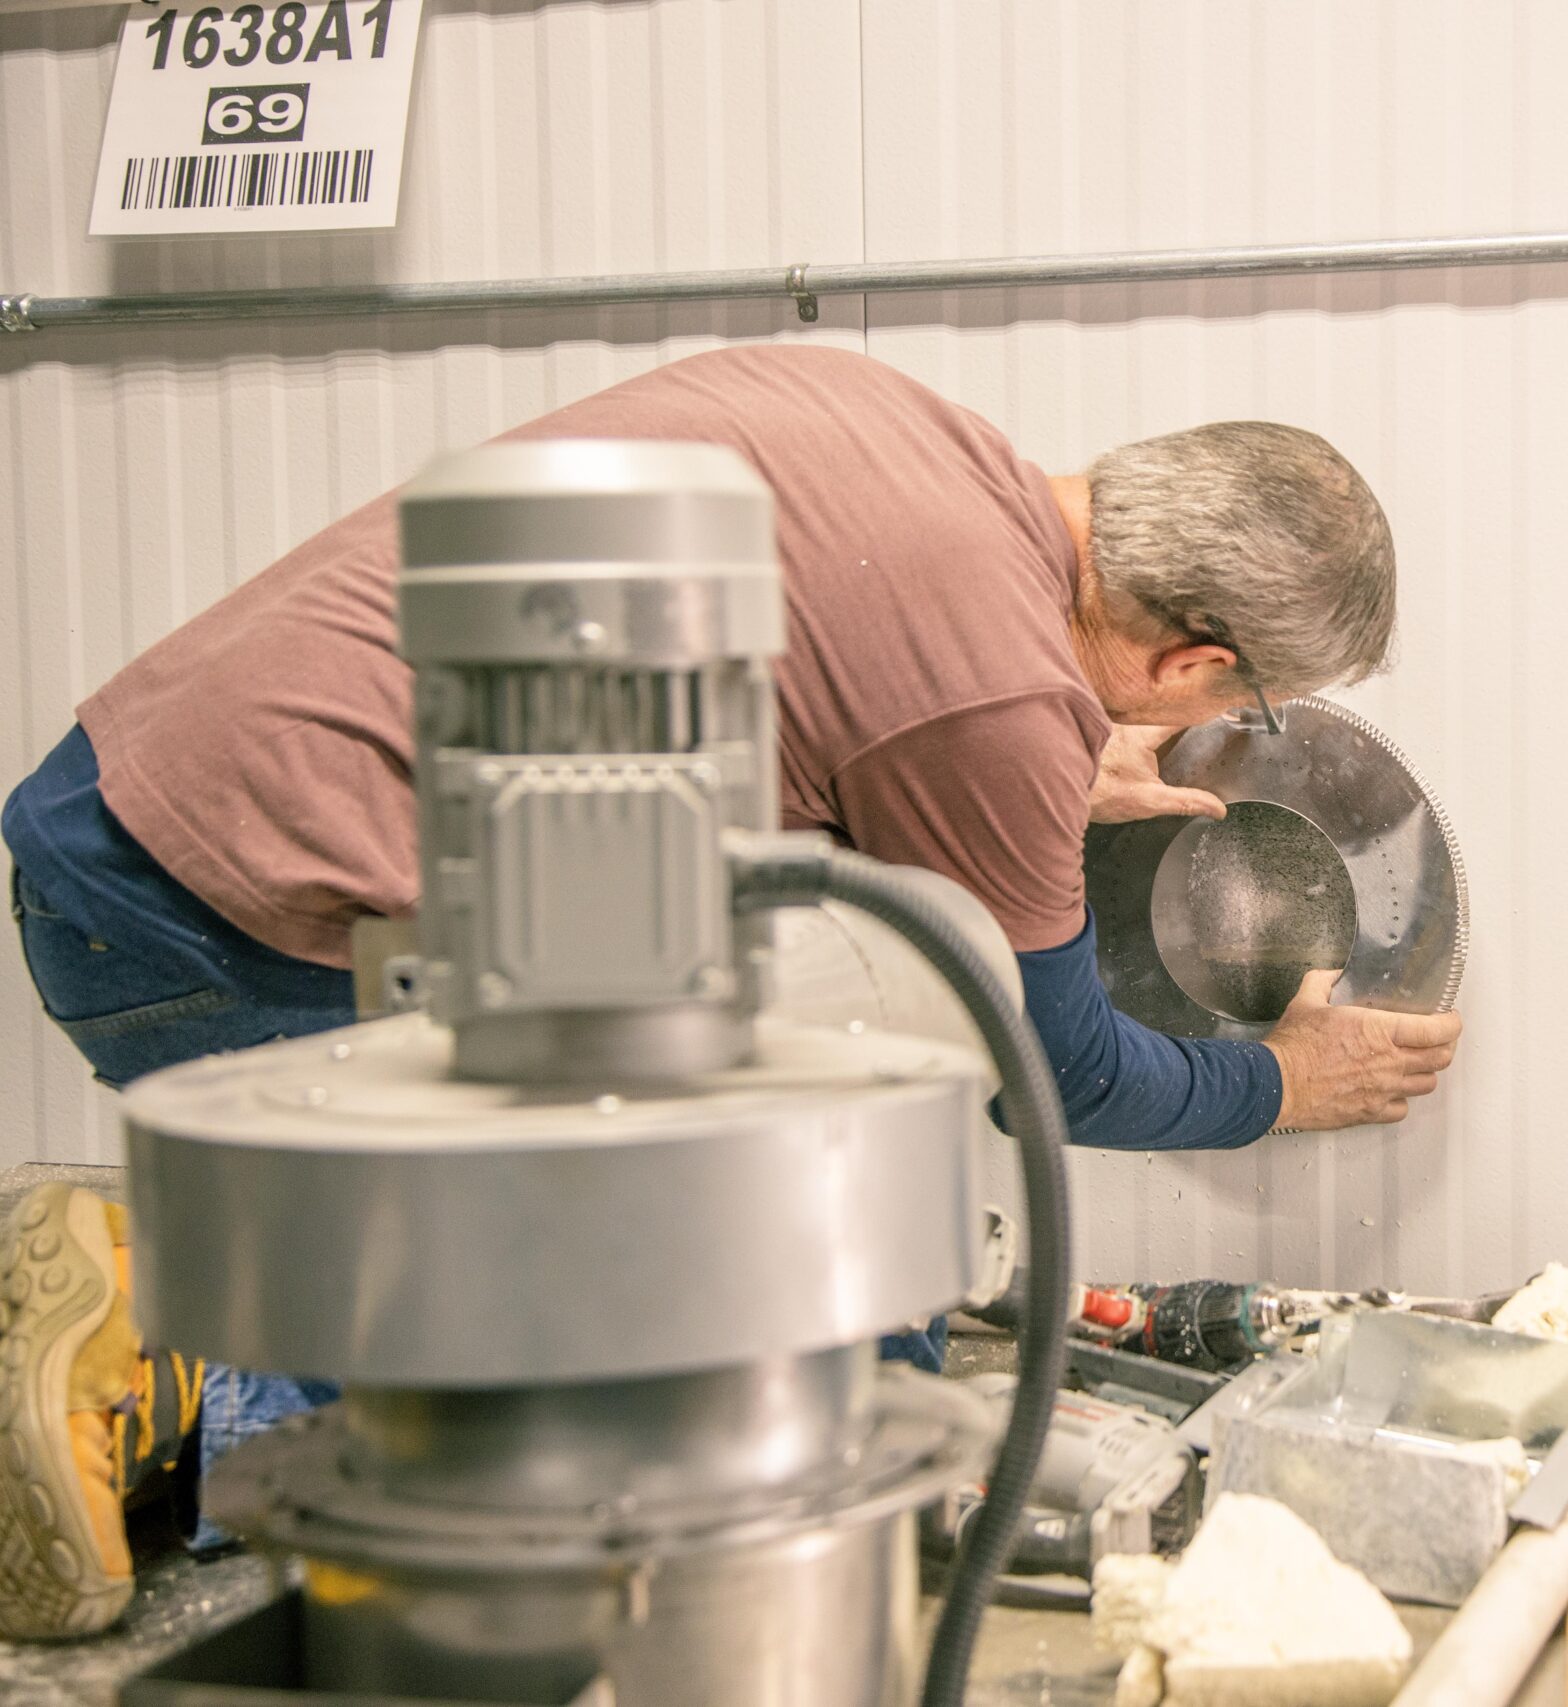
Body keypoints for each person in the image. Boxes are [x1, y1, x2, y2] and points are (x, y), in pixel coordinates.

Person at [0, 345, 1464, 1637]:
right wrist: (1280, 1080)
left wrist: (1034, 756)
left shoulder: (890, 418)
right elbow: (1053, 1068)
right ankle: (160, 1344)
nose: (1214, 725)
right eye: (1233, 702)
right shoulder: (996, 705)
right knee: (517, 1424)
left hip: (116, 806)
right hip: (226, 922)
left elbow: (820, 687)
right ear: (1196, 659)